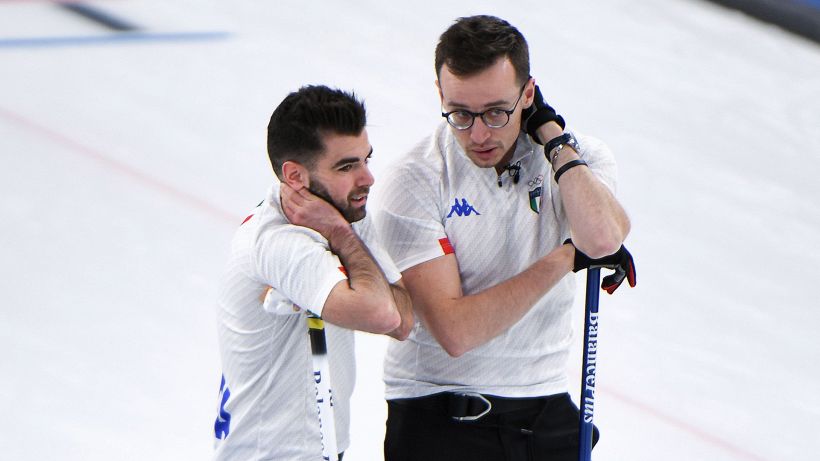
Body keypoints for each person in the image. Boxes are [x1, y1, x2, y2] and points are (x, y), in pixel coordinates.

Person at [374, 15, 636, 461]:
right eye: (460, 114)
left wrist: (554, 139)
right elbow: (456, 333)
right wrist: (564, 258)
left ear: (529, 95)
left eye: (497, 112)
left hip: (545, 408)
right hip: (443, 413)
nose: (478, 134)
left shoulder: (580, 159)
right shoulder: (416, 180)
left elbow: (603, 239)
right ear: (440, 96)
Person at [212, 85, 413, 460]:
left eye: (366, 159)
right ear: (295, 176)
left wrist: (342, 233)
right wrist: (340, 235)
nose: (367, 178)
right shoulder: (279, 242)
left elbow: (403, 321)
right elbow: (383, 313)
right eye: (346, 166)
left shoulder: (346, 214)